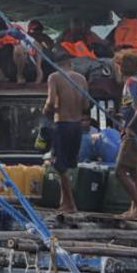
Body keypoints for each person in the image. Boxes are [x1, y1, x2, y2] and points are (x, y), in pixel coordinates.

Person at [43, 50, 89, 214]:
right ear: (71, 62)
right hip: (76, 126)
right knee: (68, 165)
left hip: (62, 124)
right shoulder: (81, 79)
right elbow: (85, 105)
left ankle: (70, 204)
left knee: (59, 165)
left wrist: (46, 111)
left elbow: (50, 100)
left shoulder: (54, 77)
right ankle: (64, 202)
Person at [114, 52, 137, 219]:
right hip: (136, 131)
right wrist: (119, 116)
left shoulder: (131, 83)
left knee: (120, 171)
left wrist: (129, 128)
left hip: (133, 133)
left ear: (122, 66)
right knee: (134, 171)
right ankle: (135, 207)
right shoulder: (134, 83)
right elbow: (132, 109)